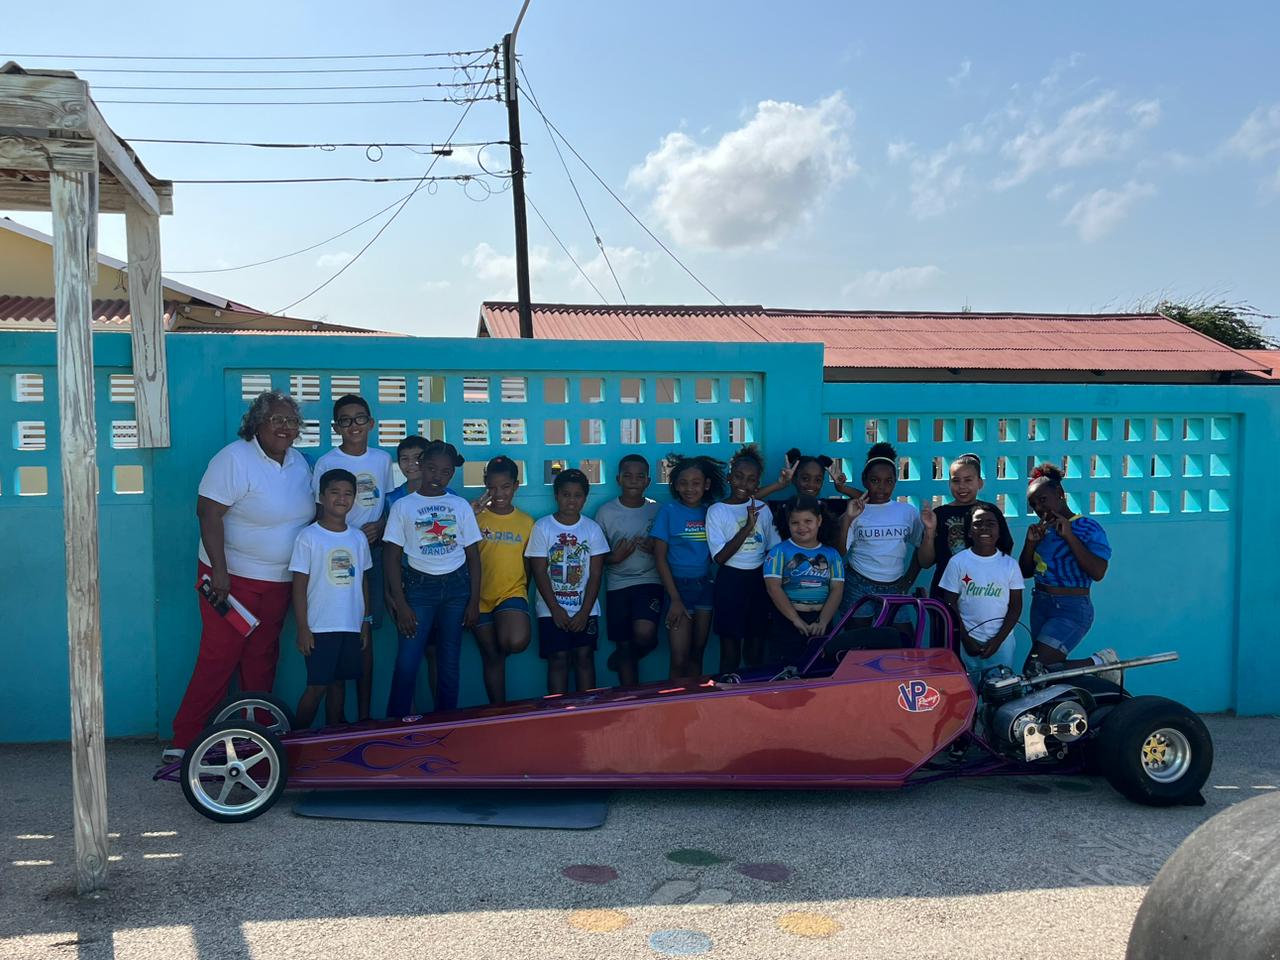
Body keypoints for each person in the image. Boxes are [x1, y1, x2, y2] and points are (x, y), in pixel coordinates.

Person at [166, 391, 315, 761]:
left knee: (262, 656)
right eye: (276, 420)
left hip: (278, 581)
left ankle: (256, 733)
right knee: (220, 656)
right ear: (257, 424)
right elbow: (207, 513)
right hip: (230, 580)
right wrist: (219, 571)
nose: (285, 427)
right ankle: (186, 738)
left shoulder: (299, 463)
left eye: (291, 421)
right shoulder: (234, 458)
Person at [383, 440, 481, 716]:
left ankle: (446, 720)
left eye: (445, 472)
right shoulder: (404, 506)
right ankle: (396, 723)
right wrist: (401, 604)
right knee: (407, 661)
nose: (438, 476)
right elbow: (390, 557)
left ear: (452, 474)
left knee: (449, 659)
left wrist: (474, 601)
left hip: (456, 590)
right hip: (418, 591)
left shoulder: (459, 505)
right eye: (432, 469)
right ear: (420, 467)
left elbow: (474, 556)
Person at [311, 394, 393, 721]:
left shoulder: (382, 460)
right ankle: (336, 721)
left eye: (360, 418)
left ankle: (364, 717)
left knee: (365, 635)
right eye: (345, 420)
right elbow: (319, 515)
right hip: (337, 556)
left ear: (371, 423)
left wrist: (381, 526)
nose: (354, 425)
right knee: (339, 633)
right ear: (336, 427)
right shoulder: (326, 463)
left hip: (370, 554)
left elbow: (389, 505)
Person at [289, 469, 373, 728]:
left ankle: (333, 738)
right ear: (322, 496)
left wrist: (365, 621)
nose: (341, 498)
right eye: (335, 492)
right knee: (317, 687)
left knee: (339, 683)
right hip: (319, 627)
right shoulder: (309, 537)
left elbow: (363, 581)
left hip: (349, 624)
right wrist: (303, 628)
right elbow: (299, 587)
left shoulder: (358, 537)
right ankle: (294, 742)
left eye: (348, 493)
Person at [1019, 463, 1118, 677]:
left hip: (1071, 609)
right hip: (1041, 605)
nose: (1038, 508)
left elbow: (1098, 572)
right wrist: (1030, 544)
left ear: (1060, 494)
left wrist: (1070, 537)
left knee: (1034, 670)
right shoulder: (1042, 531)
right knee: (1047, 673)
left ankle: (1100, 663)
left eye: (1042, 499)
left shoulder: (1087, 527)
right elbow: (1024, 573)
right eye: (1033, 504)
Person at [525, 468, 609, 695]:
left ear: (585, 498)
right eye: (565, 494)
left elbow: (596, 574)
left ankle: (588, 711)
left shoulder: (591, 529)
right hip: (550, 610)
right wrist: (555, 609)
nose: (571, 500)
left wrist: (584, 612)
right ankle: (556, 713)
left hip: (586, 609)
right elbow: (539, 571)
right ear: (556, 496)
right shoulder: (543, 527)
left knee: (584, 656)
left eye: (577, 495)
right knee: (558, 658)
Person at [836, 442, 932, 625]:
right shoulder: (856, 511)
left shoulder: (907, 512)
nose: (882, 487)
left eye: (888, 481)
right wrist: (847, 520)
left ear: (895, 482)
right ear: (865, 481)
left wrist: (908, 580)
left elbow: (923, 554)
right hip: (858, 584)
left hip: (894, 586)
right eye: (875, 480)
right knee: (859, 644)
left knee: (901, 643)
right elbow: (840, 552)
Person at [706, 444, 780, 672]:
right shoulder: (717, 511)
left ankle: (753, 701)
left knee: (755, 650)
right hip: (730, 582)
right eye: (738, 476)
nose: (743, 484)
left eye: (750, 479)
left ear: (757, 484)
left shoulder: (763, 510)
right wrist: (747, 527)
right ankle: (725, 698)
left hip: (758, 581)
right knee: (730, 652)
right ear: (729, 477)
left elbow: (773, 550)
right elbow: (720, 558)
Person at [652, 454, 726, 680]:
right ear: (675, 485)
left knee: (697, 653)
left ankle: (693, 706)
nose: (689, 488)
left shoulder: (712, 511)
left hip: (705, 586)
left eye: (695, 483)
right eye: (683, 483)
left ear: (706, 485)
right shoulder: (668, 511)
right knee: (679, 658)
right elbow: (659, 557)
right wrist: (674, 599)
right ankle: (673, 706)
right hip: (678, 589)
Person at [470, 456, 534, 705]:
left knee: (514, 641)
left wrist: (520, 596)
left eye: (505, 487)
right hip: (478, 598)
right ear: (485, 484)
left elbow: (529, 567)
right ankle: (499, 711)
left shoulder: (527, 522)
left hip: (511, 593)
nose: (499, 493)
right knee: (492, 657)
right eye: (493, 487)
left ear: (516, 486)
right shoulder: (475, 517)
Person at [594, 454, 662, 687]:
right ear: (618, 479)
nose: (634, 481)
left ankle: (647, 647)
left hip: (649, 580)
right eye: (628, 476)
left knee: (644, 634)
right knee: (623, 644)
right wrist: (616, 557)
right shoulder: (605, 512)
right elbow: (597, 557)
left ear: (648, 482)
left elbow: (669, 548)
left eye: (640, 476)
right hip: (617, 584)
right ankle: (630, 697)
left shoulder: (657, 510)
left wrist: (655, 549)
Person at [938, 503, 1023, 679]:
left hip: (1002, 642)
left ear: (999, 531)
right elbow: (949, 603)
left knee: (1001, 687)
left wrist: (998, 641)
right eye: (977, 523)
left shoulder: (1010, 565)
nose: (984, 527)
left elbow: (1015, 606)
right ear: (969, 531)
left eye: (991, 523)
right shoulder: (958, 562)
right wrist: (965, 639)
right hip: (968, 640)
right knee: (969, 688)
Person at [383, 434, 437, 708]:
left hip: (440, 586)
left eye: (417, 458)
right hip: (405, 586)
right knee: (408, 654)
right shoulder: (393, 499)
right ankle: (402, 719)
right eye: (404, 459)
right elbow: (387, 550)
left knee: (435, 652)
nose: (411, 464)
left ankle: (442, 719)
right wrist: (390, 592)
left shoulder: (446, 496)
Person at [763, 495, 846, 665]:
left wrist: (822, 621)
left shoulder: (832, 555)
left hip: (821, 623)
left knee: (820, 671)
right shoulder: (778, 552)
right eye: (795, 522)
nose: (802, 527)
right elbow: (773, 589)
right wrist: (795, 619)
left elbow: (837, 589)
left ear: (819, 520)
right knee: (785, 672)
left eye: (808, 521)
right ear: (788, 523)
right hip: (787, 623)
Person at [922, 453, 993, 598]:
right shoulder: (939, 514)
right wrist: (929, 532)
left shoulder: (991, 513)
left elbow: (1004, 553)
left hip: (983, 592)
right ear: (949, 483)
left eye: (968, 480)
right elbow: (925, 562)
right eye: (956, 481)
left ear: (980, 483)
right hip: (945, 593)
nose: (962, 486)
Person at [761, 448, 861, 548]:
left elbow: (866, 500)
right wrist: (780, 484)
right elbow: (749, 499)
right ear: (794, 479)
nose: (811, 484)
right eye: (805, 478)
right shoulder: (782, 507)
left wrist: (842, 488)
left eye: (818, 480)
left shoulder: (828, 507)